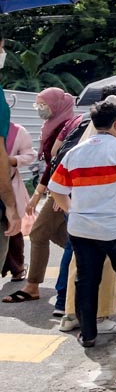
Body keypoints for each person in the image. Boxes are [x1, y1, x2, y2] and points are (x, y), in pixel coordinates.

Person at [47, 100, 116, 349]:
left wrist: (72, 211)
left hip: (82, 228)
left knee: (86, 280)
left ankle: (88, 334)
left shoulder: (75, 152)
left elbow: (56, 189)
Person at [5, 87, 75, 305]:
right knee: (61, 236)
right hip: (56, 188)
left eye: (43, 104)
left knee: (38, 233)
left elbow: (59, 164)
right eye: (37, 104)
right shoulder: (51, 126)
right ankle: (92, 261)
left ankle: (32, 286)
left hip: (61, 188)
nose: (39, 108)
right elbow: (49, 163)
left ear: (57, 105)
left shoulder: (66, 127)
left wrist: (50, 193)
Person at [1, 119, 35, 282]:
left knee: (13, 229)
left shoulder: (17, 131)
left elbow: (31, 155)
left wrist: (11, 160)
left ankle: (17, 268)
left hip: (10, 185)